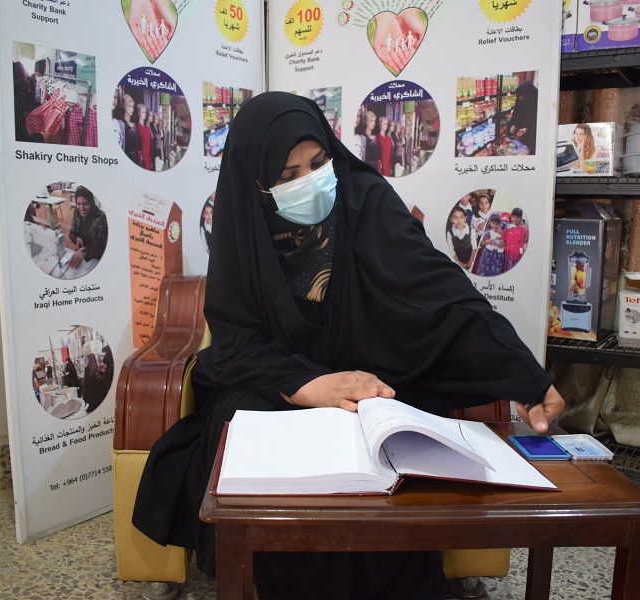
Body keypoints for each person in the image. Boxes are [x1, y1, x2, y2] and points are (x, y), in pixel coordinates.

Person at [132, 92, 565, 600]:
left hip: (367, 375)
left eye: (318, 163)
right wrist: (308, 385)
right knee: (244, 423)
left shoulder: (365, 199)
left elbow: (441, 294)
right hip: (275, 384)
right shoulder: (243, 226)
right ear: (257, 183)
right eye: (288, 175)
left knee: (396, 423)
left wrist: (528, 378)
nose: (310, 181)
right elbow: (235, 343)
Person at [67, 186, 108, 269]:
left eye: (85, 204)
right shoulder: (76, 212)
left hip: (95, 257)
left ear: (91, 203)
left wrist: (84, 251)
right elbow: (72, 232)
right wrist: (77, 238)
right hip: (81, 254)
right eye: (78, 204)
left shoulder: (101, 217)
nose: (81, 208)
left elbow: (101, 241)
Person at [507, 80, 538, 154]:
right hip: (519, 133)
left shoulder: (536, 102)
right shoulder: (520, 100)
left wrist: (527, 129)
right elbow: (516, 114)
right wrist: (513, 124)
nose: (520, 98)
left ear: (528, 95)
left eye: (522, 95)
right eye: (519, 96)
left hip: (530, 135)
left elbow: (536, 121)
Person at [446, 205, 477, 271]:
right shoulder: (450, 233)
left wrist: (470, 261)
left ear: (465, 218)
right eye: (455, 218)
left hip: (471, 259)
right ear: (451, 219)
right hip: (457, 260)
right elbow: (451, 249)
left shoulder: (471, 231)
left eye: (461, 217)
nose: (459, 220)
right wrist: (458, 262)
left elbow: (474, 247)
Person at [502, 207, 528, 272]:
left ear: (520, 219)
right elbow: (503, 238)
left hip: (517, 253)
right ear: (511, 217)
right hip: (508, 252)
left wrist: (527, 231)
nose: (515, 219)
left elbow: (524, 240)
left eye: (517, 218)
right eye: (513, 217)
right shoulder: (507, 227)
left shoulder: (522, 229)